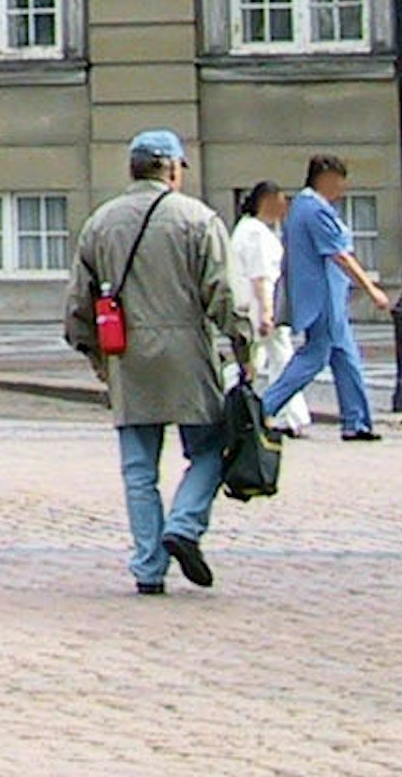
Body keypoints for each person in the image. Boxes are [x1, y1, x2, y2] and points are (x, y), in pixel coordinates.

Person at [67, 130, 248, 594]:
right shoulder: (198, 219)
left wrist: (96, 357)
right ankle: (184, 525)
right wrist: (244, 349)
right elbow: (224, 295)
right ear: (171, 168)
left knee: (138, 468)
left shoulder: (100, 223)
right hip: (189, 351)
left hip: (126, 354)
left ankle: (148, 566)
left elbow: (78, 307)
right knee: (210, 449)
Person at [260, 154, 395, 440]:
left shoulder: (302, 207)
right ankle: (261, 409)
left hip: (326, 296)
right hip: (322, 298)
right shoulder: (313, 210)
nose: (341, 189)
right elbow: (339, 255)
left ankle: (356, 420)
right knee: (314, 357)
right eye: (339, 181)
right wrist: (371, 289)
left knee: (345, 357)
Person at [227, 181, 307, 435]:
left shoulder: (249, 229)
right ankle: (289, 415)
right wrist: (267, 311)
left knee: (256, 360)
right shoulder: (255, 233)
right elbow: (260, 276)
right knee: (279, 359)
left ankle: (231, 400)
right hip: (260, 304)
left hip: (254, 304)